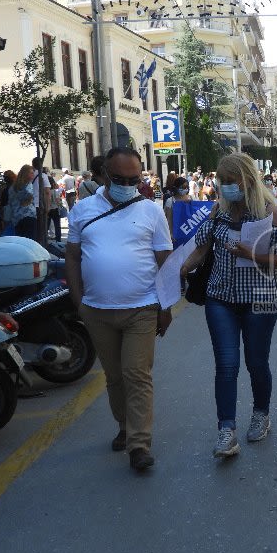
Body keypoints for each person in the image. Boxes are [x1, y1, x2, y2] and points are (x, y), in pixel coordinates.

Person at [179, 153, 277, 458]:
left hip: (259, 299)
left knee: (256, 363)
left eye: (231, 181)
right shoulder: (218, 210)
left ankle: (261, 414)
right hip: (220, 298)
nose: (226, 186)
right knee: (226, 365)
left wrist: (250, 254)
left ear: (247, 180)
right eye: (222, 181)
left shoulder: (269, 212)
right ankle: (226, 430)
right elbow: (201, 248)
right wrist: (180, 270)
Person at [65, 146, 173, 472]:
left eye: (134, 179)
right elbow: (72, 256)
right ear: (104, 176)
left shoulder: (151, 211)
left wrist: (166, 305)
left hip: (142, 308)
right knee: (114, 377)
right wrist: (79, 302)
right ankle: (125, 426)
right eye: (120, 179)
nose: (127, 185)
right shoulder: (83, 209)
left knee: (136, 374)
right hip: (97, 311)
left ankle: (139, 444)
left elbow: (164, 260)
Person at [162, 175, 198, 247]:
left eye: (187, 187)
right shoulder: (170, 201)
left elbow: (196, 213)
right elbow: (168, 219)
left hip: (189, 232)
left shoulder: (191, 198)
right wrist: (170, 234)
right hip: (176, 233)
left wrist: (190, 204)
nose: (186, 189)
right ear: (176, 188)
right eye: (183, 187)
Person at [7, 165, 38, 239]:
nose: (33, 175)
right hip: (29, 216)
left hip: (16, 218)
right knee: (30, 240)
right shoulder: (28, 185)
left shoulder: (13, 187)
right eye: (31, 173)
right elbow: (29, 198)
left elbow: (10, 202)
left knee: (20, 240)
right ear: (25, 174)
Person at [30, 156, 53, 242]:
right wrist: (48, 206)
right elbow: (47, 192)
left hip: (30, 206)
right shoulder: (43, 176)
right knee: (41, 229)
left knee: (34, 229)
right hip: (40, 205)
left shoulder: (30, 176)